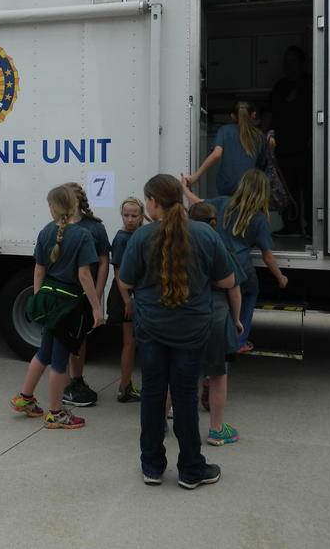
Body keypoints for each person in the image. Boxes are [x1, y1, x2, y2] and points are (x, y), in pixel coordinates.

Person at [118, 174, 234, 488]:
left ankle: (152, 467)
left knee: (153, 397)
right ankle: (191, 469)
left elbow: (126, 281)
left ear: (153, 202)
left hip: (152, 329)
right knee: (185, 399)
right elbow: (227, 281)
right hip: (192, 330)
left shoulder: (141, 238)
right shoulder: (205, 234)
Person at [10, 185, 103, 429]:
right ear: (73, 206)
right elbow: (84, 275)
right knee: (59, 362)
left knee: (43, 352)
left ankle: (25, 397)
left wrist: (38, 298)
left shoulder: (45, 232)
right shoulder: (83, 236)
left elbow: (39, 269)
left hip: (49, 298)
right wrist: (96, 308)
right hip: (68, 303)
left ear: (54, 207)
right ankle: (55, 412)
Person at [187, 168, 288, 352]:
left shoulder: (223, 202)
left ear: (241, 185)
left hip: (219, 264)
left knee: (220, 302)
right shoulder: (259, 219)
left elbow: (198, 204)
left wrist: (184, 189)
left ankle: (218, 339)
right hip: (241, 268)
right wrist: (280, 277)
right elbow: (267, 256)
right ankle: (241, 340)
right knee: (250, 293)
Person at [188, 201, 245, 446]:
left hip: (186, 314)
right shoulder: (218, 244)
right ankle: (216, 430)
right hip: (216, 316)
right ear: (215, 221)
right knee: (218, 374)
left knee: (180, 372)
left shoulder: (180, 243)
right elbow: (233, 288)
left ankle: (162, 421)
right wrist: (236, 319)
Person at [62, 182, 110, 408]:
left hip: (84, 294)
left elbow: (103, 262)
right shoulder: (57, 227)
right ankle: (64, 386)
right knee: (61, 341)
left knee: (80, 340)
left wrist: (97, 294)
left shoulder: (95, 228)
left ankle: (76, 379)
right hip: (63, 294)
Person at [266, 46, 313, 237]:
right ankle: (291, 227)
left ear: (302, 63)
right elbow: (269, 113)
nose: (288, 65)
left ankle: (311, 229)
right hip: (283, 147)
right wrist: (260, 135)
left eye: (292, 61)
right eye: (286, 61)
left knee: (309, 188)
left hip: (306, 146)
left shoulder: (310, 83)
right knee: (287, 189)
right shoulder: (280, 86)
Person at [183, 100, 266, 196]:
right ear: (254, 115)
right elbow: (260, 165)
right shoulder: (260, 136)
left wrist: (195, 177)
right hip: (249, 187)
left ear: (232, 116)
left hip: (227, 185)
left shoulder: (224, 130)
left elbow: (217, 154)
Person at [109, 196, 146, 402]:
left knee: (135, 342)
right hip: (126, 294)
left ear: (141, 216)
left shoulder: (142, 233)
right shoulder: (122, 238)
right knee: (129, 342)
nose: (129, 219)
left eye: (134, 215)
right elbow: (118, 272)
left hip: (138, 292)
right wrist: (127, 300)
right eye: (126, 215)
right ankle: (125, 386)